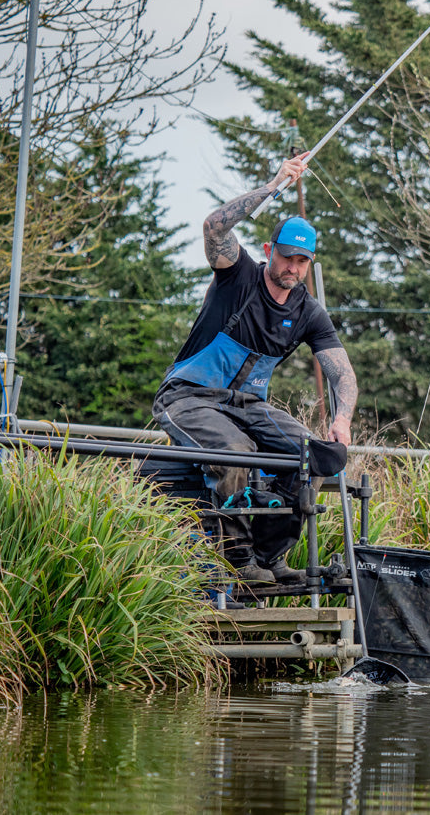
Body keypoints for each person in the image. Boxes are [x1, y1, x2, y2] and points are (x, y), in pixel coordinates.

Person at [153, 155, 357, 585]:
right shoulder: (238, 275)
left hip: (246, 405)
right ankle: (239, 559)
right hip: (188, 396)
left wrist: (341, 419)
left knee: (311, 457)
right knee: (236, 453)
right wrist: (273, 185)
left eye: (302, 262)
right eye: (286, 258)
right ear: (269, 252)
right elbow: (214, 227)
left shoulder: (309, 312)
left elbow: (342, 373)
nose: (293, 269)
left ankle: (270, 558)